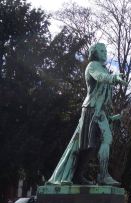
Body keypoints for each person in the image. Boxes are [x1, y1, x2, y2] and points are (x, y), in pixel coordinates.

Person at [47, 43, 126, 186]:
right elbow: (100, 77)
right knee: (87, 145)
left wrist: (110, 117)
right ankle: (83, 175)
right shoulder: (93, 66)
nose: (104, 52)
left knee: (100, 142)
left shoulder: (103, 69)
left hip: (99, 111)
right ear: (94, 53)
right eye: (101, 50)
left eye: (105, 50)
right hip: (90, 108)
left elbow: (103, 98)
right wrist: (114, 78)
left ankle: (98, 175)